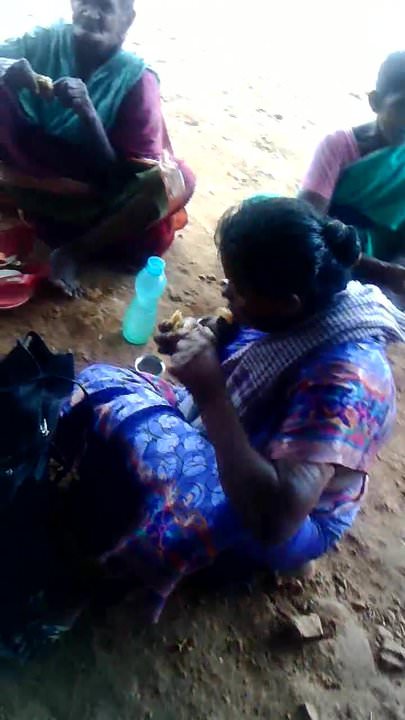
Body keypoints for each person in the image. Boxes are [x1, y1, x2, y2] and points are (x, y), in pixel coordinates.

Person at [2, 196, 404, 661]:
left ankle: (90, 582)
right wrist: (213, 335)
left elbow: (275, 519)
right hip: (235, 441)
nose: (226, 293)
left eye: (239, 289)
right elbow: (254, 343)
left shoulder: (347, 381)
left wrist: (211, 391)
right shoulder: (312, 303)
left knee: (156, 496)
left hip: (282, 512)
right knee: (100, 385)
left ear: (288, 303)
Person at [0, 0, 195, 296]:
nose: (91, 13)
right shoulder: (42, 42)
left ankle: (73, 252)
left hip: (95, 200)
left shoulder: (137, 81)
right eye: (85, 2)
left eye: (105, 7)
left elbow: (117, 180)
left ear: (127, 19)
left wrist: (89, 116)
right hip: (32, 181)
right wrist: (6, 68)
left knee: (177, 178)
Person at [300, 51, 405, 300]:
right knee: (263, 218)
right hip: (330, 247)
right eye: (403, 107)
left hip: (383, 255)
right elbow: (307, 221)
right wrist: (379, 270)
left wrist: (396, 267)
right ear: (375, 102)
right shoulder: (337, 145)